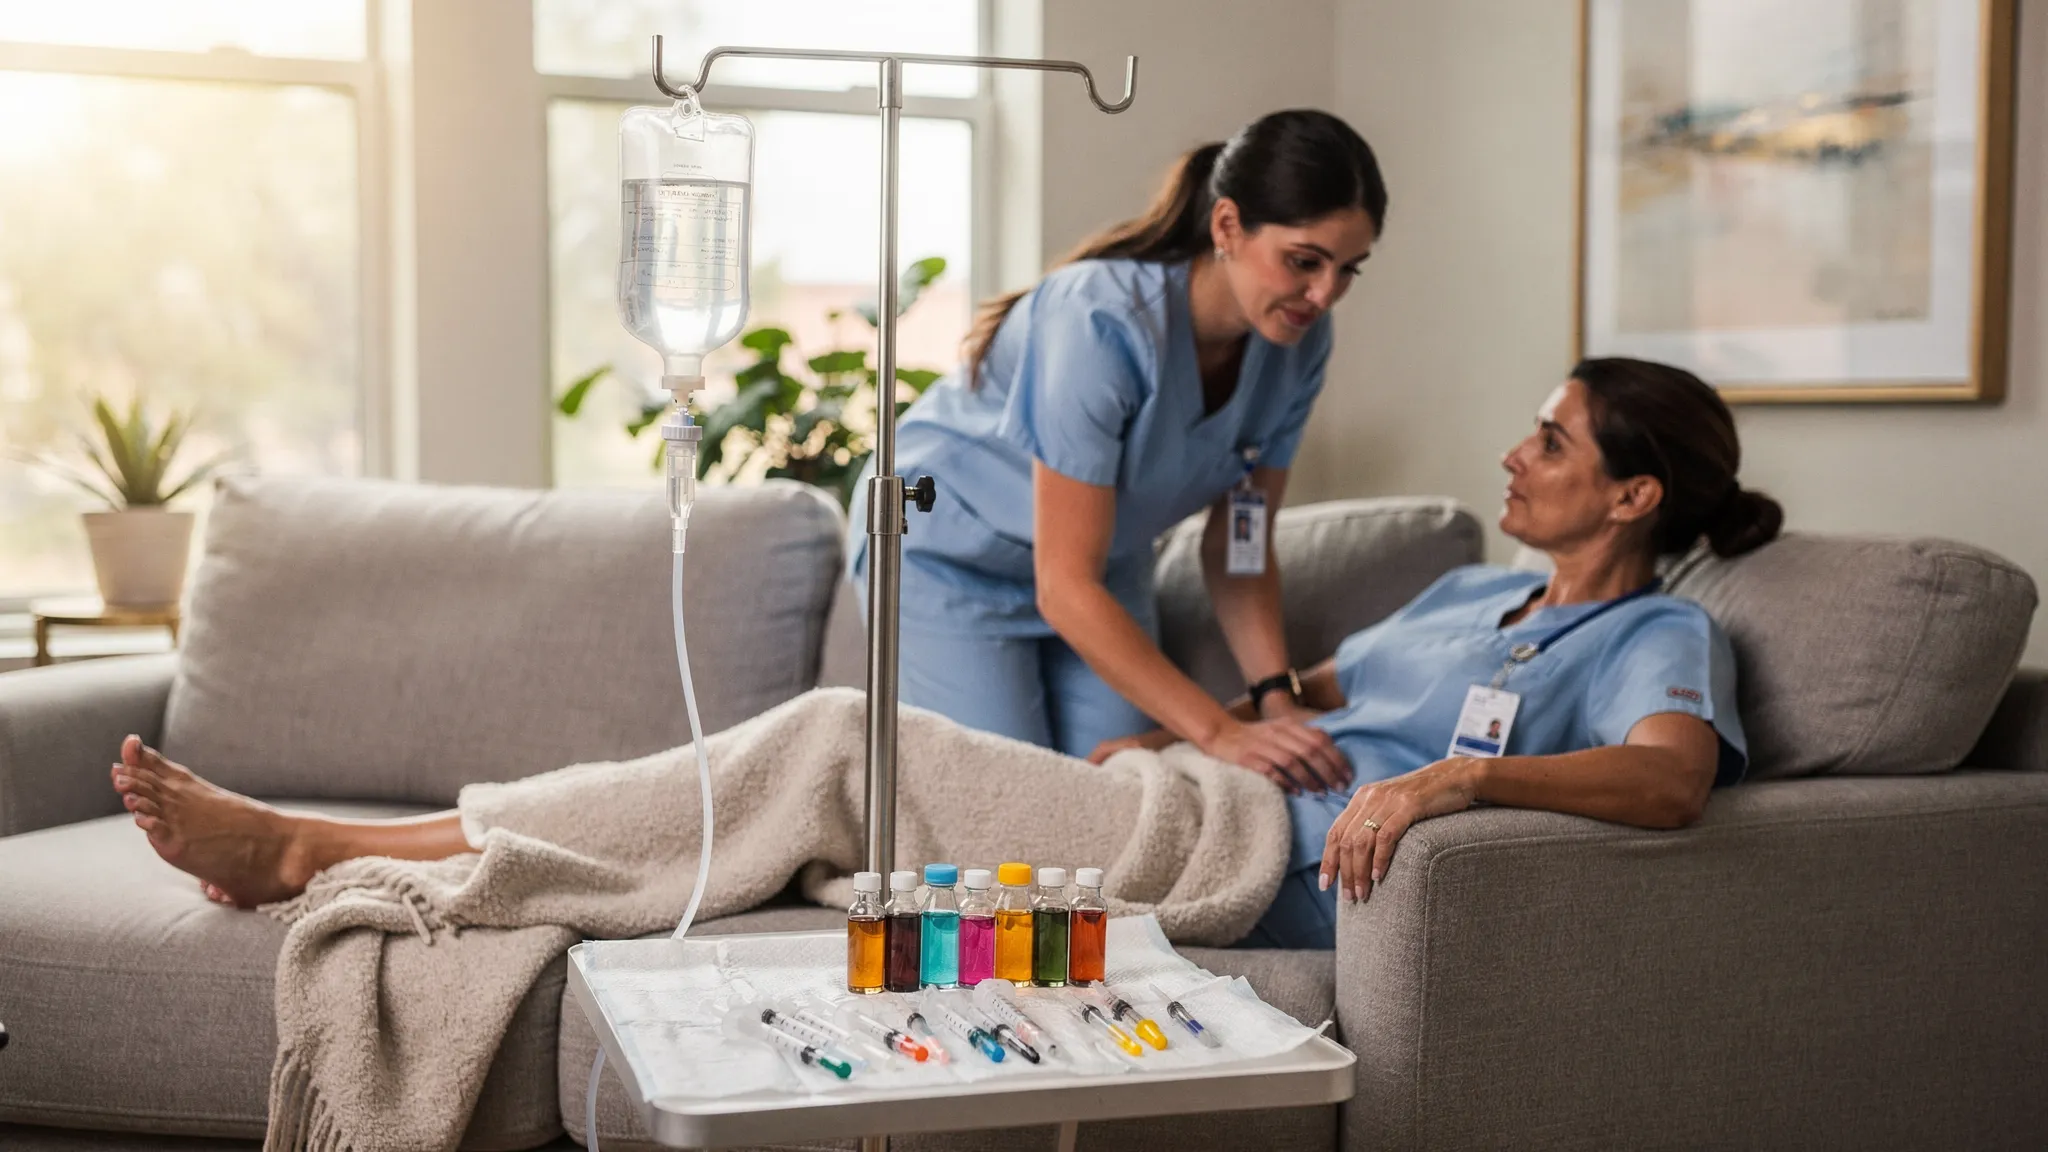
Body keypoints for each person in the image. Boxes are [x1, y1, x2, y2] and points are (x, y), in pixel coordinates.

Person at [111, 357, 1780, 949]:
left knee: (832, 741)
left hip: (1264, 862)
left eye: (1551, 440)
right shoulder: (1472, 601)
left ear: (1630, 490)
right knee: (801, 798)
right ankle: (347, 846)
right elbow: (1309, 698)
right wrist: (1205, 725)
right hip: (1193, 804)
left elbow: (1668, 779)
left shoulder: (1655, 633)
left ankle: (326, 846)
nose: (1516, 452)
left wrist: (1455, 782)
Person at [847, 109, 1387, 785]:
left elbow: (1239, 549)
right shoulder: (1099, 321)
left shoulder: (1298, 345)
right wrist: (1220, 731)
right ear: (1227, 226)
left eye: (1348, 271)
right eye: (1304, 262)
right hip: (947, 556)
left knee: (1130, 789)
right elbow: (1062, 584)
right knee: (1013, 802)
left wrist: (1274, 699)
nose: (1324, 294)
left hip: (1100, 568)